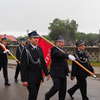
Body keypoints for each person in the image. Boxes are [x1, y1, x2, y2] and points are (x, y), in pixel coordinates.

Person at [21, 31, 50, 100]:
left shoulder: (39, 48)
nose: (36, 39)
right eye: (34, 38)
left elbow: (42, 62)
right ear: (30, 39)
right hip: (30, 77)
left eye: (37, 38)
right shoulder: (26, 50)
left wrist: (47, 73)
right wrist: (24, 80)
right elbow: (23, 66)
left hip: (38, 76)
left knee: (35, 94)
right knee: (32, 94)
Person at [45, 36, 75, 100]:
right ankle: (47, 96)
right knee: (56, 87)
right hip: (55, 73)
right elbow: (58, 54)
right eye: (59, 42)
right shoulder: (54, 49)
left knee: (63, 90)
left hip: (63, 73)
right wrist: (68, 56)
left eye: (62, 42)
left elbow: (64, 61)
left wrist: (67, 70)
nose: (61, 43)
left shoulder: (62, 50)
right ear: (56, 43)